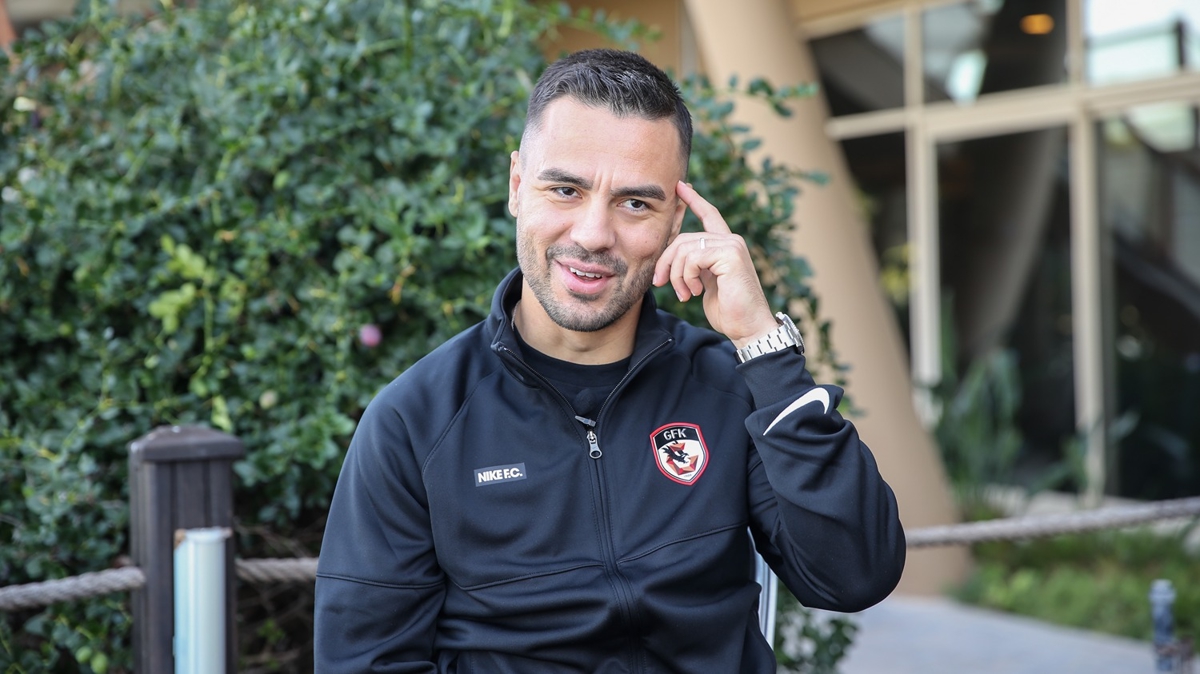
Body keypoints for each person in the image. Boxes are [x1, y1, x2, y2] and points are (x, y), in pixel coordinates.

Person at [314, 48, 905, 673]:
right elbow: (366, 662)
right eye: (565, 190)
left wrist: (762, 343)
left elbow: (854, 575)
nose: (594, 234)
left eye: (635, 203)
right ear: (517, 186)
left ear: (676, 219)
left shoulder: (729, 385)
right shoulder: (415, 420)